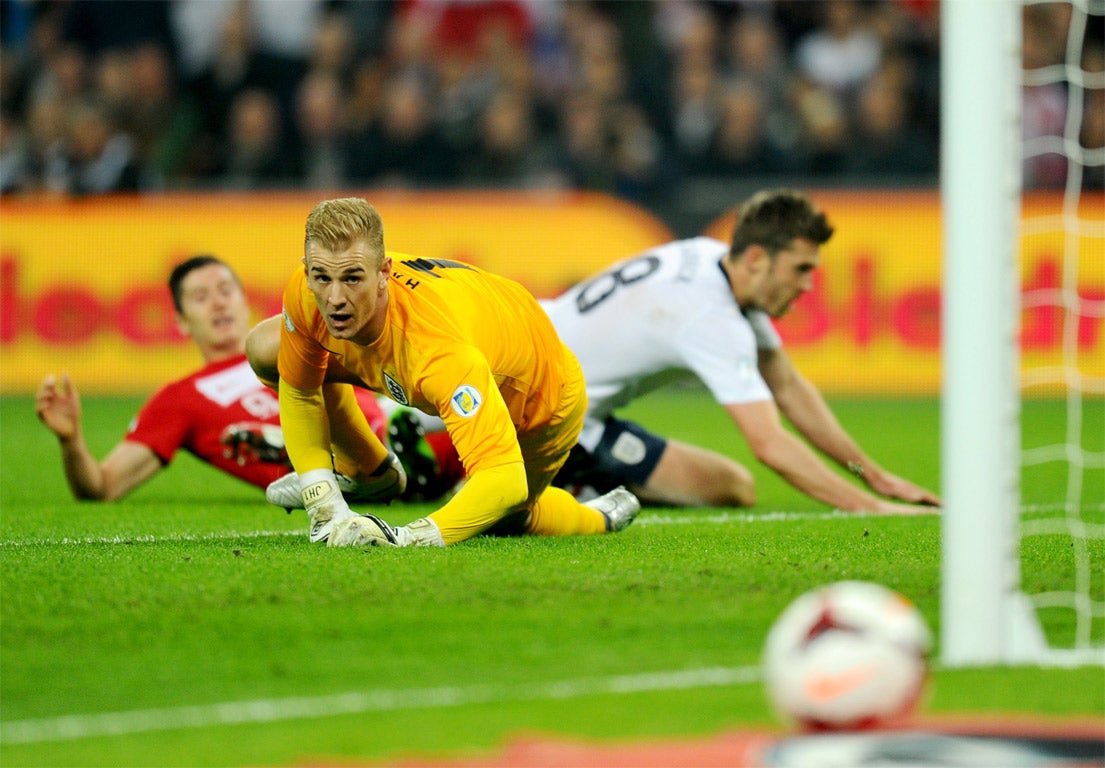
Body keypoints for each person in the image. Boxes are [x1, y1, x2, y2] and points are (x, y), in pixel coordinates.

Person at [254, 196, 640, 547]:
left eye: (353, 278)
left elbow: (503, 480)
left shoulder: (438, 350)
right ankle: (369, 471)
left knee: (503, 513)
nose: (335, 298)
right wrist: (322, 501)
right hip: (468, 334)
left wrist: (404, 538)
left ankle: (599, 516)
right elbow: (301, 390)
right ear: (307, 271)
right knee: (266, 350)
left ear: (384, 272)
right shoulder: (306, 295)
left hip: (541, 395)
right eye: (322, 277)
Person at [543, 188, 940, 514]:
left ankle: (567, 479)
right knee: (730, 486)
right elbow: (769, 445)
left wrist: (872, 474)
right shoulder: (709, 316)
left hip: (548, 379)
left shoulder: (708, 259)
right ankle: (554, 481)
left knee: (733, 486)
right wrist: (868, 506)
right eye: (800, 269)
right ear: (756, 259)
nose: (807, 286)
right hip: (541, 415)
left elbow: (787, 386)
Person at [35, 254, 437, 503]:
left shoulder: (301, 340)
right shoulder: (181, 399)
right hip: (363, 468)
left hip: (399, 414)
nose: (218, 303)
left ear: (245, 301)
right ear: (179, 321)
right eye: (200, 297)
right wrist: (70, 441)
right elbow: (103, 487)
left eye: (226, 290)